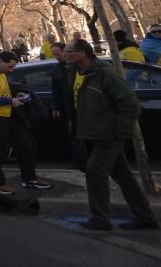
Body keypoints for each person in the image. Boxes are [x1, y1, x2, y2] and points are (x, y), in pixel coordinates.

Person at [62, 40, 159, 231]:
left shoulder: (104, 74)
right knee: (123, 175)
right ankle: (145, 216)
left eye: (69, 52)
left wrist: (120, 132)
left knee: (95, 171)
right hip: (92, 134)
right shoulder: (74, 73)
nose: (65, 55)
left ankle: (100, 219)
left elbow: (130, 104)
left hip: (109, 134)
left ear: (83, 53)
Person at [0, 51, 52, 196]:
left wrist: (16, 96)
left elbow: (2, 93)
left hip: (7, 116)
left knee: (25, 146)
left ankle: (29, 178)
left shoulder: (1, 74)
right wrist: (10, 101)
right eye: (10, 67)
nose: (11, 70)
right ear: (0, 61)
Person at [49, 42, 87, 170]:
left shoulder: (79, 66)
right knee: (74, 135)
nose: (57, 57)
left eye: (58, 54)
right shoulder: (57, 69)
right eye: (54, 55)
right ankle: (80, 162)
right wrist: (56, 106)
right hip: (69, 107)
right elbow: (56, 90)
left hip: (84, 106)